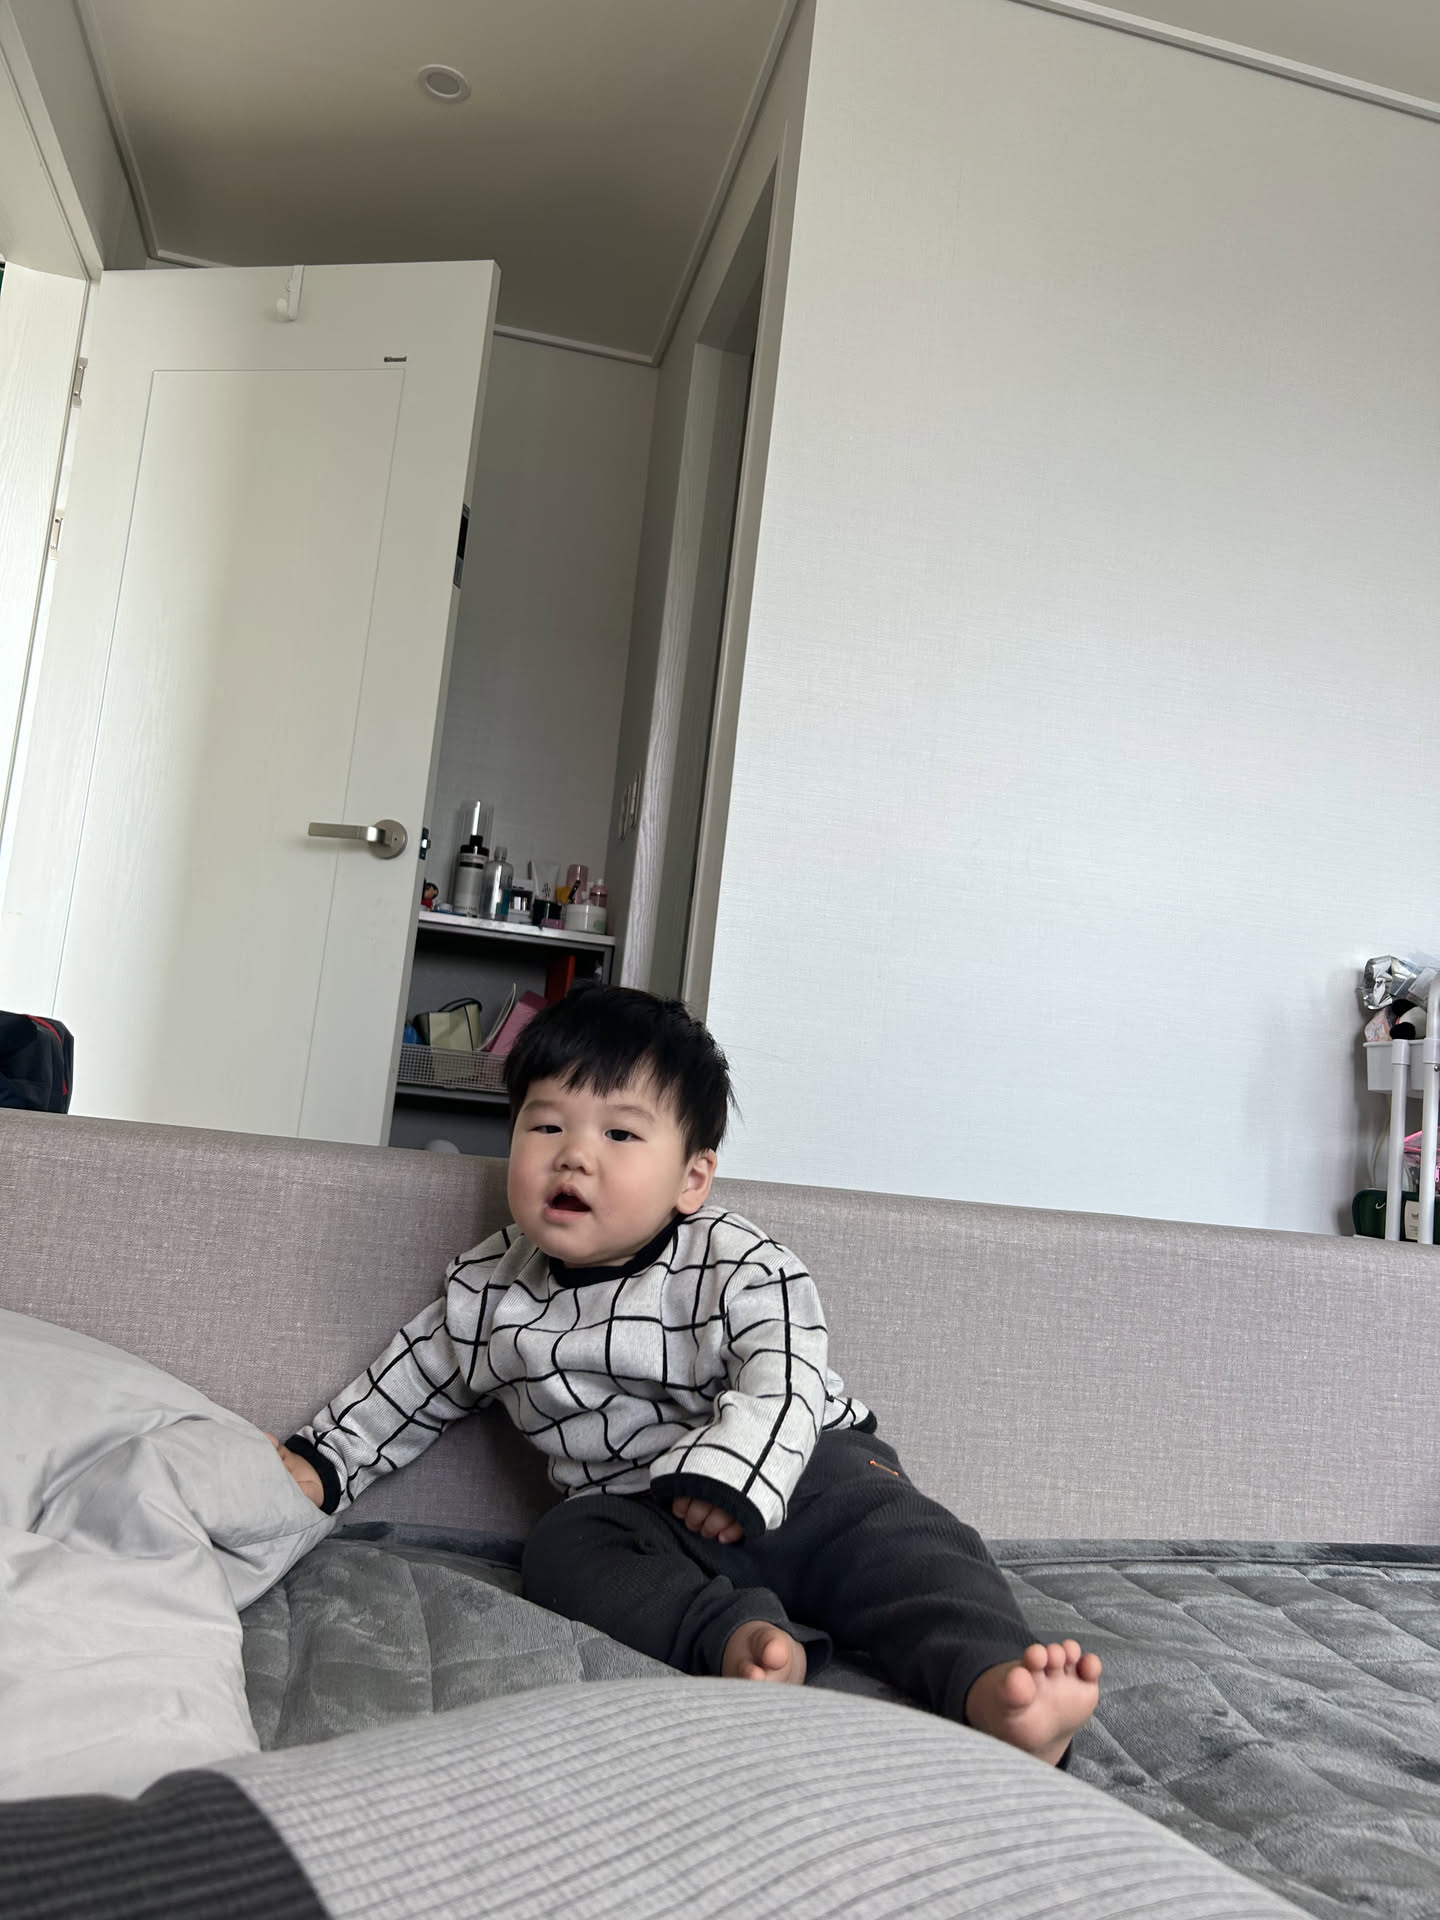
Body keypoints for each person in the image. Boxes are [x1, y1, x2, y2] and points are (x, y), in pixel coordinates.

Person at [275, 987, 1100, 1764]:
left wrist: (731, 1475)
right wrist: (323, 1462)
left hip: (808, 1476)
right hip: (646, 1518)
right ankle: (739, 1640)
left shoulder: (738, 1262)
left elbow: (786, 1372)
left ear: (691, 1179)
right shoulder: (488, 1291)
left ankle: (1000, 1686)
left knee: (908, 1545)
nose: (574, 1157)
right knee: (562, 1548)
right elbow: (411, 1383)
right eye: (546, 1125)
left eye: (619, 1136)